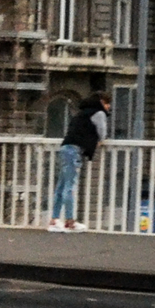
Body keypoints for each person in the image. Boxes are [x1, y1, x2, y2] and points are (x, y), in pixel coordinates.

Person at [48, 91, 108, 232]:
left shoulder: (81, 113)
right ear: (102, 102)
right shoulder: (98, 113)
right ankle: (70, 222)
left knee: (61, 186)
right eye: (107, 103)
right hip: (74, 150)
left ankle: (54, 220)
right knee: (69, 187)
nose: (108, 107)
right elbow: (102, 132)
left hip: (65, 148)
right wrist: (99, 140)